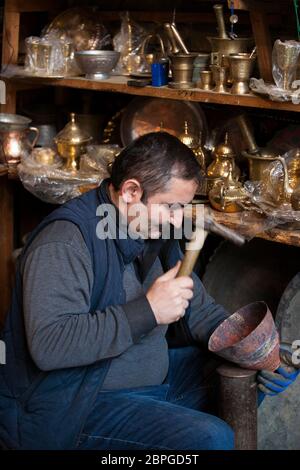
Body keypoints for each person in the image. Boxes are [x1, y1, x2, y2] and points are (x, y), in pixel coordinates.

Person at [0, 132, 298, 450]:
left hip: (151, 383)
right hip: (76, 406)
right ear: (131, 191)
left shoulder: (152, 230)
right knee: (211, 437)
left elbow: (199, 309)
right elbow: (51, 345)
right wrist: (149, 310)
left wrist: (254, 349)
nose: (176, 219)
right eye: (170, 206)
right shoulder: (66, 242)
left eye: (181, 207)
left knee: (242, 377)